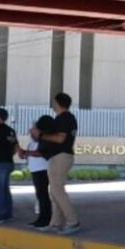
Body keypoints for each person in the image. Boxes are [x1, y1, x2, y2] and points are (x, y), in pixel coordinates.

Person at [38, 93, 80, 235]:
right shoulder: (68, 118)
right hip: (61, 156)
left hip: (60, 156)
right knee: (54, 191)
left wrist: (41, 135)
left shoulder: (64, 118)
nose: (52, 103)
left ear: (58, 103)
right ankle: (55, 223)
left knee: (57, 190)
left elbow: (60, 139)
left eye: (53, 101)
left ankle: (73, 221)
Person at [19, 118, 53, 228]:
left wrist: (27, 153)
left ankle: (46, 218)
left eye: (33, 129)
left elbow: (39, 153)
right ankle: (41, 217)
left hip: (42, 170)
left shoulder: (43, 141)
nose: (30, 131)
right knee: (39, 195)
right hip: (35, 170)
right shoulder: (31, 144)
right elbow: (29, 154)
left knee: (43, 195)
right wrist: (24, 153)